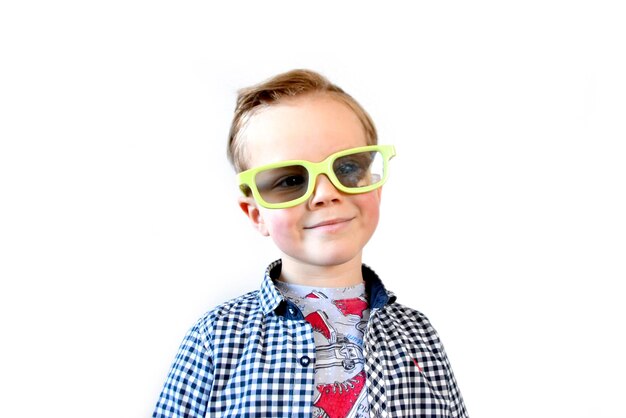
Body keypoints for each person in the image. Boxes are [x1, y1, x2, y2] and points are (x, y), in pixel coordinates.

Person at [152, 69, 468, 418]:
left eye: (347, 168)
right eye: (289, 180)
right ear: (256, 214)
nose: (327, 194)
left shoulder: (418, 339)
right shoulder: (216, 339)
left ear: (375, 185)